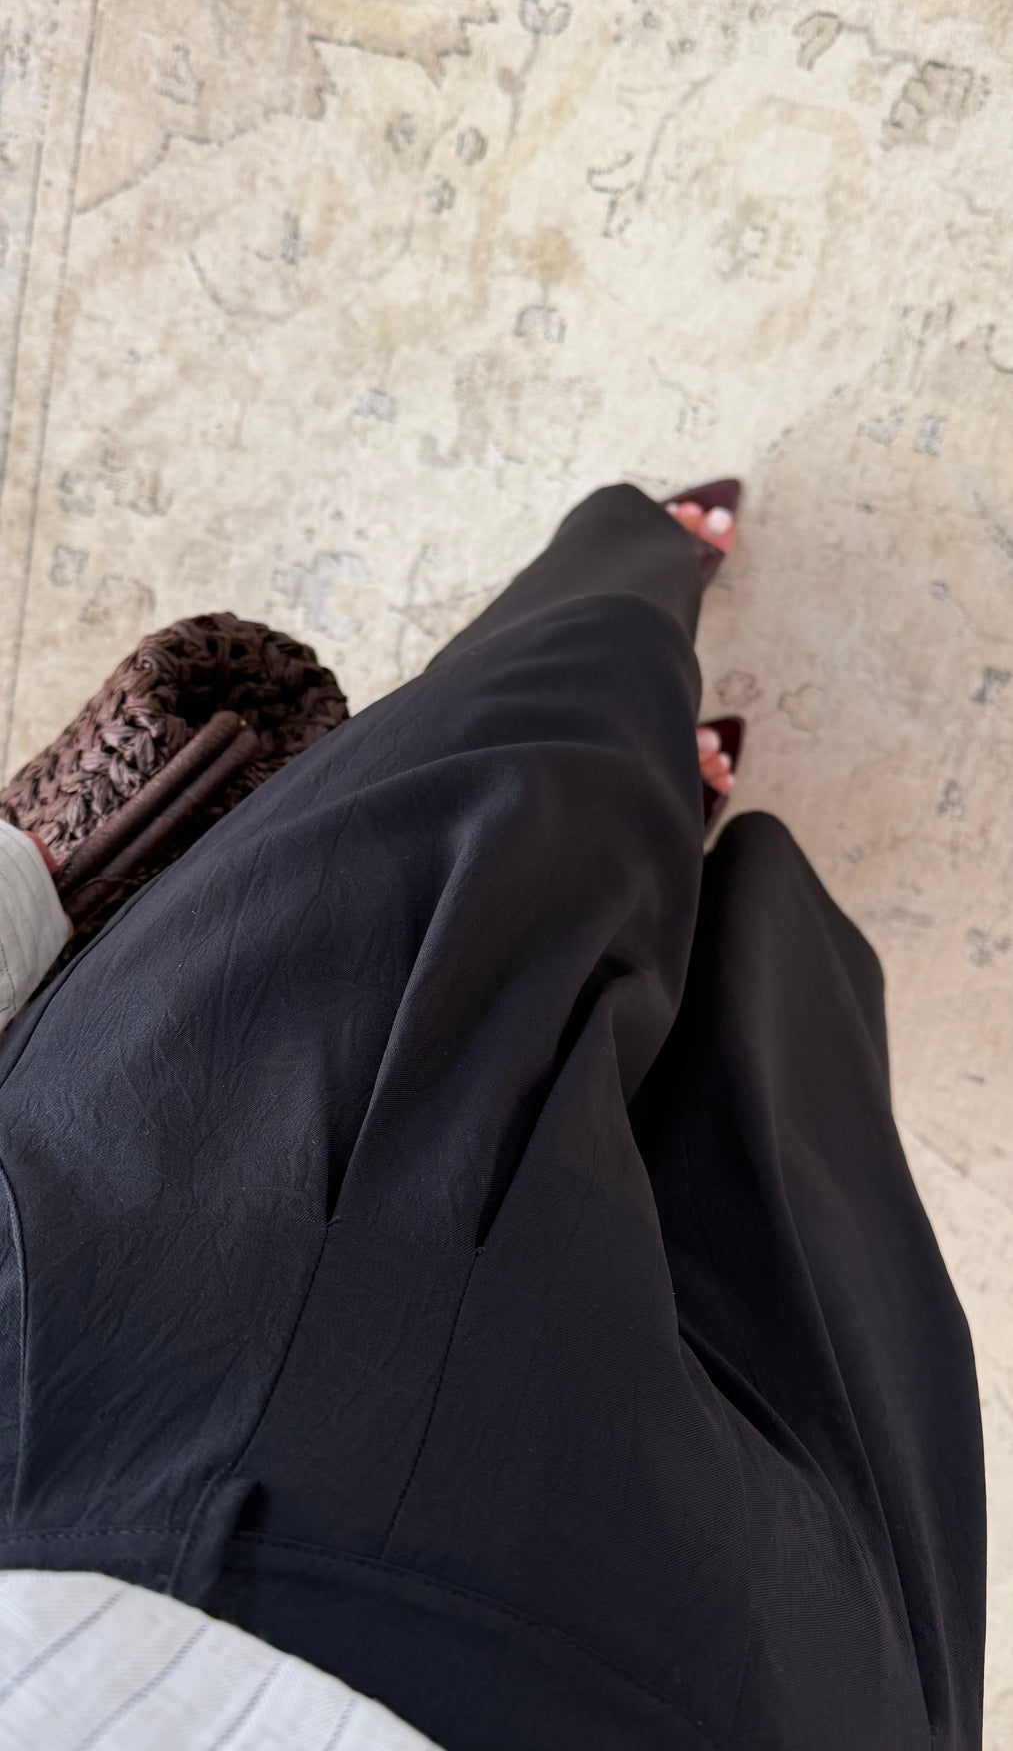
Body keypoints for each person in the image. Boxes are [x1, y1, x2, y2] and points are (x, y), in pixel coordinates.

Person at [0, 482, 986, 1750]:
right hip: (156, 1455)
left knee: (752, 1096)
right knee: (524, 819)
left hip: (105, 1498)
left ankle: (639, 606)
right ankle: (648, 735)